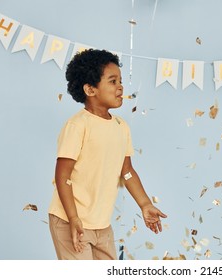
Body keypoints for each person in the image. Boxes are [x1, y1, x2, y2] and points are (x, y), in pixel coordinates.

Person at [48, 49, 167, 260]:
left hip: (101, 225)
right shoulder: (77, 126)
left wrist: (145, 204)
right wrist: (74, 218)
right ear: (90, 89)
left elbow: (127, 172)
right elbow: (62, 176)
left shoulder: (121, 127)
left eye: (120, 81)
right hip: (70, 220)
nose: (120, 87)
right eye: (113, 81)